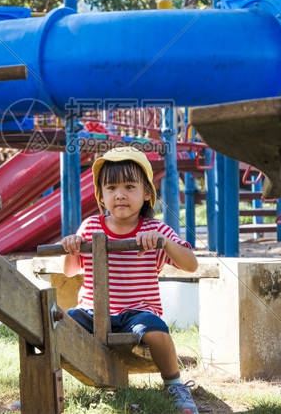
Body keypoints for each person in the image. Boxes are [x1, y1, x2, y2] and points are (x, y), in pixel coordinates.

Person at [61, 146, 200, 414]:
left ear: (147, 193)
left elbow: (191, 264)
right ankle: (53, 385)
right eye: (111, 188)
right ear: (101, 195)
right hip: (91, 311)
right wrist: (72, 246)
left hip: (137, 311)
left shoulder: (154, 229)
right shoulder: (90, 226)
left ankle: (174, 383)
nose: (120, 194)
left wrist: (165, 244)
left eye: (129, 186)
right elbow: (69, 271)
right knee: (60, 326)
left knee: (156, 332)